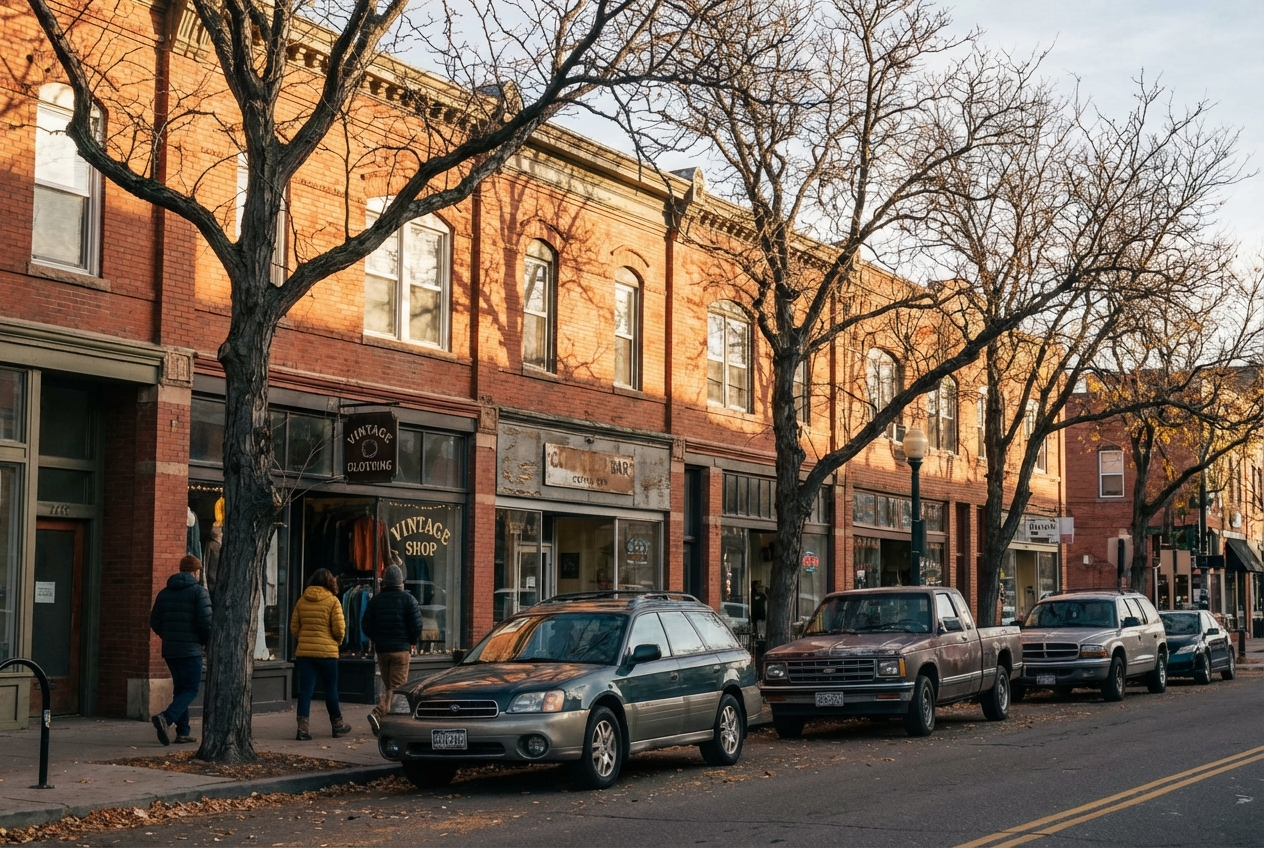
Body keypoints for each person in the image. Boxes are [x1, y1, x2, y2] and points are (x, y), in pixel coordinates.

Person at [149, 554, 212, 746]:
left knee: (180, 689)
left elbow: (155, 622)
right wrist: (203, 642)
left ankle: (183, 731)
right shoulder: (198, 592)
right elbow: (206, 623)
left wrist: (168, 636)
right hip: (191, 649)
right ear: (196, 571)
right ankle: (166, 718)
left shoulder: (165, 593)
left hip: (170, 649)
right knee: (191, 689)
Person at [290, 568, 352, 740]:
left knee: (305, 691)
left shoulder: (302, 601)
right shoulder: (333, 601)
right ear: (330, 582)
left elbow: (294, 627)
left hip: (306, 654)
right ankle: (337, 725)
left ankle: (302, 729)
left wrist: (305, 638)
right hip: (327, 654)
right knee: (330, 689)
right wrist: (335, 642)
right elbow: (339, 630)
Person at [362, 563, 423, 730]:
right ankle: (379, 713)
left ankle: (384, 722)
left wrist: (377, 638)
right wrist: (412, 641)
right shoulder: (408, 599)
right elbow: (417, 626)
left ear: (385, 582)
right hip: (401, 650)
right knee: (397, 688)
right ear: (401, 582)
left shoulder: (376, 601)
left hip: (382, 650)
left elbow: (365, 625)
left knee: (389, 685)